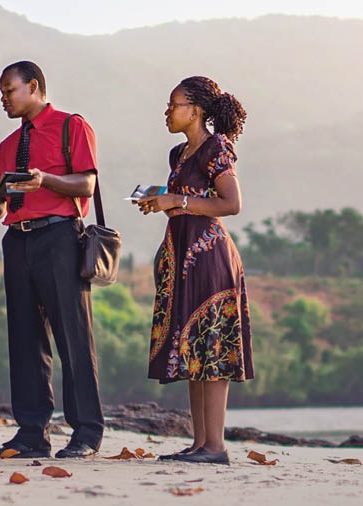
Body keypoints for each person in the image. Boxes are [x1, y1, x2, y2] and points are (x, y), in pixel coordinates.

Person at [0, 61, 103, 459]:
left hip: (59, 236)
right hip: (17, 241)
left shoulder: (72, 126)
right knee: (24, 338)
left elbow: (88, 182)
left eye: (9, 90)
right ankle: (31, 433)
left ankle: (86, 432)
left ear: (34, 87)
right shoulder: (6, 147)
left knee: (72, 335)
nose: (3, 99)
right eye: (1, 93)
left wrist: (46, 180)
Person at [136, 76, 252, 465]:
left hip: (210, 257)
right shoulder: (179, 154)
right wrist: (161, 202)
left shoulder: (217, 148)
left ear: (197, 110)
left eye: (174, 104)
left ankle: (215, 446)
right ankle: (200, 443)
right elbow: (188, 201)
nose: (167, 111)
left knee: (212, 349)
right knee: (192, 349)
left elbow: (231, 203)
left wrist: (177, 200)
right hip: (181, 253)